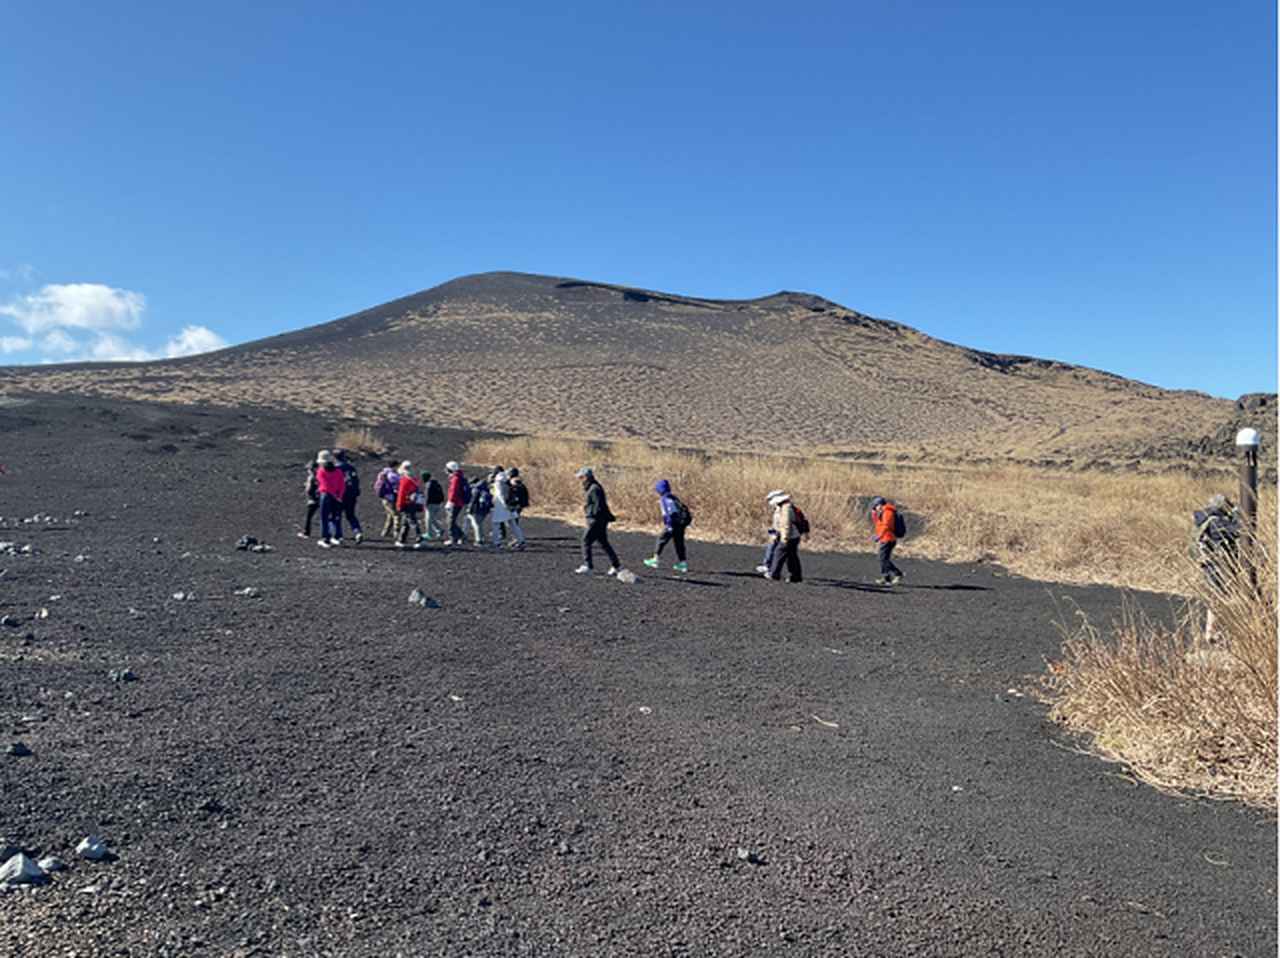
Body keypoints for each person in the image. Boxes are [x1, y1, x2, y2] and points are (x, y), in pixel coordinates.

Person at [1192, 494, 1240, 641]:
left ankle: (1211, 632)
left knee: (1216, 598)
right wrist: (1239, 516)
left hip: (1209, 565)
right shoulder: (1216, 522)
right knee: (1220, 598)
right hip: (1218, 565)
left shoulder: (1205, 520)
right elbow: (1239, 531)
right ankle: (1211, 633)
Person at [574, 467, 622, 575]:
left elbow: (599, 506)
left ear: (587, 477)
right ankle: (616, 566)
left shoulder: (594, 489)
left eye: (581, 477)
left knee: (585, 541)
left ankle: (588, 566)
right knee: (603, 543)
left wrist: (591, 517)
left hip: (596, 520)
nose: (580, 480)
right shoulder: (592, 487)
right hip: (599, 520)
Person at [643, 479, 689, 573]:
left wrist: (669, 526)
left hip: (672, 525)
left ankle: (655, 559)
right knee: (679, 543)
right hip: (681, 524)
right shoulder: (673, 497)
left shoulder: (664, 499)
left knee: (661, 540)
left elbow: (669, 514)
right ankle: (683, 563)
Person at [767, 491, 803, 582]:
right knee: (791, 557)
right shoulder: (783, 507)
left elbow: (785, 525)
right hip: (793, 536)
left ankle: (774, 574)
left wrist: (784, 539)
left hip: (789, 537)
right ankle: (795, 577)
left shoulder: (786, 509)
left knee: (778, 554)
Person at [314, 449, 347, 547]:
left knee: (324, 517)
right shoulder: (338, 471)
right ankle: (337, 536)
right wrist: (339, 496)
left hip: (326, 495)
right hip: (337, 496)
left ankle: (326, 538)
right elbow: (342, 485)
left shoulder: (321, 471)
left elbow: (324, 486)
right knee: (335, 517)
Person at [490, 466, 526, 550]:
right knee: (513, 523)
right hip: (508, 505)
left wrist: (506, 505)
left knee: (496, 523)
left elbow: (500, 495)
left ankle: (496, 543)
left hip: (501, 506)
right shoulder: (505, 481)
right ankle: (521, 541)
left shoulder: (499, 482)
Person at [871, 496, 903, 585]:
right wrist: (874, 513)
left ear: (879, 504)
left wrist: (879, 536)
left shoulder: (888, 512)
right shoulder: (883, 512)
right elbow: (878, 523)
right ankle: (886, 577)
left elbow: (886, 526)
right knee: (883, 559)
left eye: (875, 506)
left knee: (882, 559)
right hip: (885, 538)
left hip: (888, 539)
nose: (875, 509)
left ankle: (897, 574)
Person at [334, 449, 363, 545]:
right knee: (351, 515)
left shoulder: (335, 468)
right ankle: (357, 531)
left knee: (337, 515)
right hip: (352, 494)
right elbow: (356, 480)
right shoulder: (351, 467)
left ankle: (338, 536)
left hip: (340, 495)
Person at [394, 461, 424, 547]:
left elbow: (401, 494)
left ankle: (418, 538)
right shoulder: (414, 479)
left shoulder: (404, 480)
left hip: (406, 504)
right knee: (406, 522)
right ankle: (401, 540)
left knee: (411, 521)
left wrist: (399, 505)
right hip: (413, 503)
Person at [756, 489, 785, 573]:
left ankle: (770, 568)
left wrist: (776, 533)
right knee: (772, 548)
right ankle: (768, 566)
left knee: (777, 551)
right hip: (778, 532)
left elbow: (783, 523)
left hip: (781, 533)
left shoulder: (783, 509)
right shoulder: (778, 508)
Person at [374, 459, 401, 538]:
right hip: (390, 498)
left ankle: (386, 532)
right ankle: (397, 533)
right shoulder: (392, 475)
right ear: (395, 466)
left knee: (390, 515)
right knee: (396, 515)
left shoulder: (384, 473)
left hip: (385, 498)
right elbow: (397, 485)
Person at [466, 472, 493, 545]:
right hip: (484, 509)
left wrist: (469, 509)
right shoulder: (485, 487)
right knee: (479, 524)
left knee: (476, 525)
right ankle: (481, 538)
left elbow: (473, 500)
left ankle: (479, 540)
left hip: (477, 509)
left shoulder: (476, 489)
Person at [444, 461, 468, 546]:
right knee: (452, 521)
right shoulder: (458, 477)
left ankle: (453, 538)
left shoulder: (455, 478)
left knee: (450, 521)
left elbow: (453, 492)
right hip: (458, 502)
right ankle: (461, 536)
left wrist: (450, 501)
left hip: (455, 502)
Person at [298, 462, 320, 539]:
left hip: (313, 500)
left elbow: (309, 490)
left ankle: (306, 532)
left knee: (309, 517)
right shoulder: (321, 476)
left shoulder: (311, 477)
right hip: (321, 498)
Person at [422, 471, 446, 541]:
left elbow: (427, 496)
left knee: (428, 519)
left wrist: (425, 504)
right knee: (432, 518)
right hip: (437, 504)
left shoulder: (428, 485)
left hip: (431, 504)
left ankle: (429, 534)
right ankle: (440, 529)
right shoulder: (436, 483)